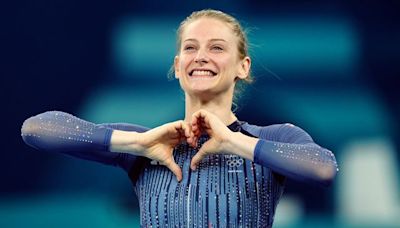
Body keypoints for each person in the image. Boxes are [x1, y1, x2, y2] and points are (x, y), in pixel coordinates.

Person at [21, 9, 338, 227]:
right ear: (177, 65)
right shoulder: (147, 144)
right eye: (190, 47)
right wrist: (138, 142)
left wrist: (233, 141)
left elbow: (323, 168)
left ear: (243, 66)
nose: (201, 56)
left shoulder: (273, 137)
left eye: (216, 48)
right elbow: (36, 130)